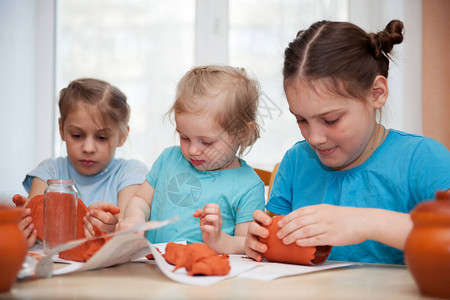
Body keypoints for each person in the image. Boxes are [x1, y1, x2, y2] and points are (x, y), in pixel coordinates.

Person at [245, 20, 450, 264]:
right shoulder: (296, 162)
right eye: (301, 120)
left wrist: (368, 222)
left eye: (331, 119)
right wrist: (260, 243)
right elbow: (274, 249)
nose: (314, 138)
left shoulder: (422, 159)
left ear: (376, 94)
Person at [117, 65, 265, 254]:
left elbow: (247, 244)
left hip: (210, 278)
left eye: (206, 142)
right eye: (184, 137)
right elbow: (141, 200)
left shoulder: (249, 186)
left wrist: (220, 240)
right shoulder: (168, 159)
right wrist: (135, 219)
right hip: (154, 270)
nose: (193, 150)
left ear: (242, 134)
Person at [16, 78, 148, 247]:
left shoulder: (130, 173)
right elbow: (34, 226)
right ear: (61, 129)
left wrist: (115, 229)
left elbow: (128, 227)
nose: (88, 148)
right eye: (77, 135)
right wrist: (22, 231)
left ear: (122, 136)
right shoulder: (50, 172)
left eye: (101, 138)